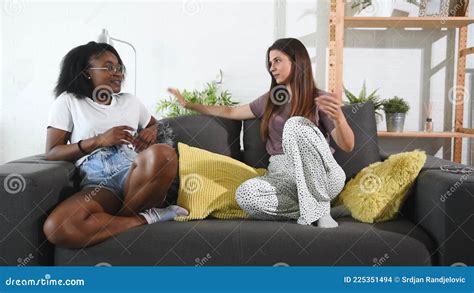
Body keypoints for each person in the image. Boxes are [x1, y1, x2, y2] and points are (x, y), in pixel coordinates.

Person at [168, 38, 354, 228]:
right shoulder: (270, 101)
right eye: (270, 62)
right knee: (245, 194)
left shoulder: (320, 99)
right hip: (285, 180)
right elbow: (231, 112)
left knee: (294, 125)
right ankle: (319, 212)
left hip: (324, 178)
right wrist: (189, 104)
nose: (272, 67)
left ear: (297, 61)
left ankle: (319, 209)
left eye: (277, 60)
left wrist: (339, 118)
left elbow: (348, 145)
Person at [43, 41, 188, 248]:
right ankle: (146, 218)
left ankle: (112, 224)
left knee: (163, 154)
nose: (118, 73)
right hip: (99, 181)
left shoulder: (130, 102)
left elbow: (157, 125)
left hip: (136, 172)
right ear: (87, 72)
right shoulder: (69, 102)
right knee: (58, 228)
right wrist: (99, 140)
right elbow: (52, 152)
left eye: (119, 67)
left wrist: (150, 131)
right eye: (108, 67)